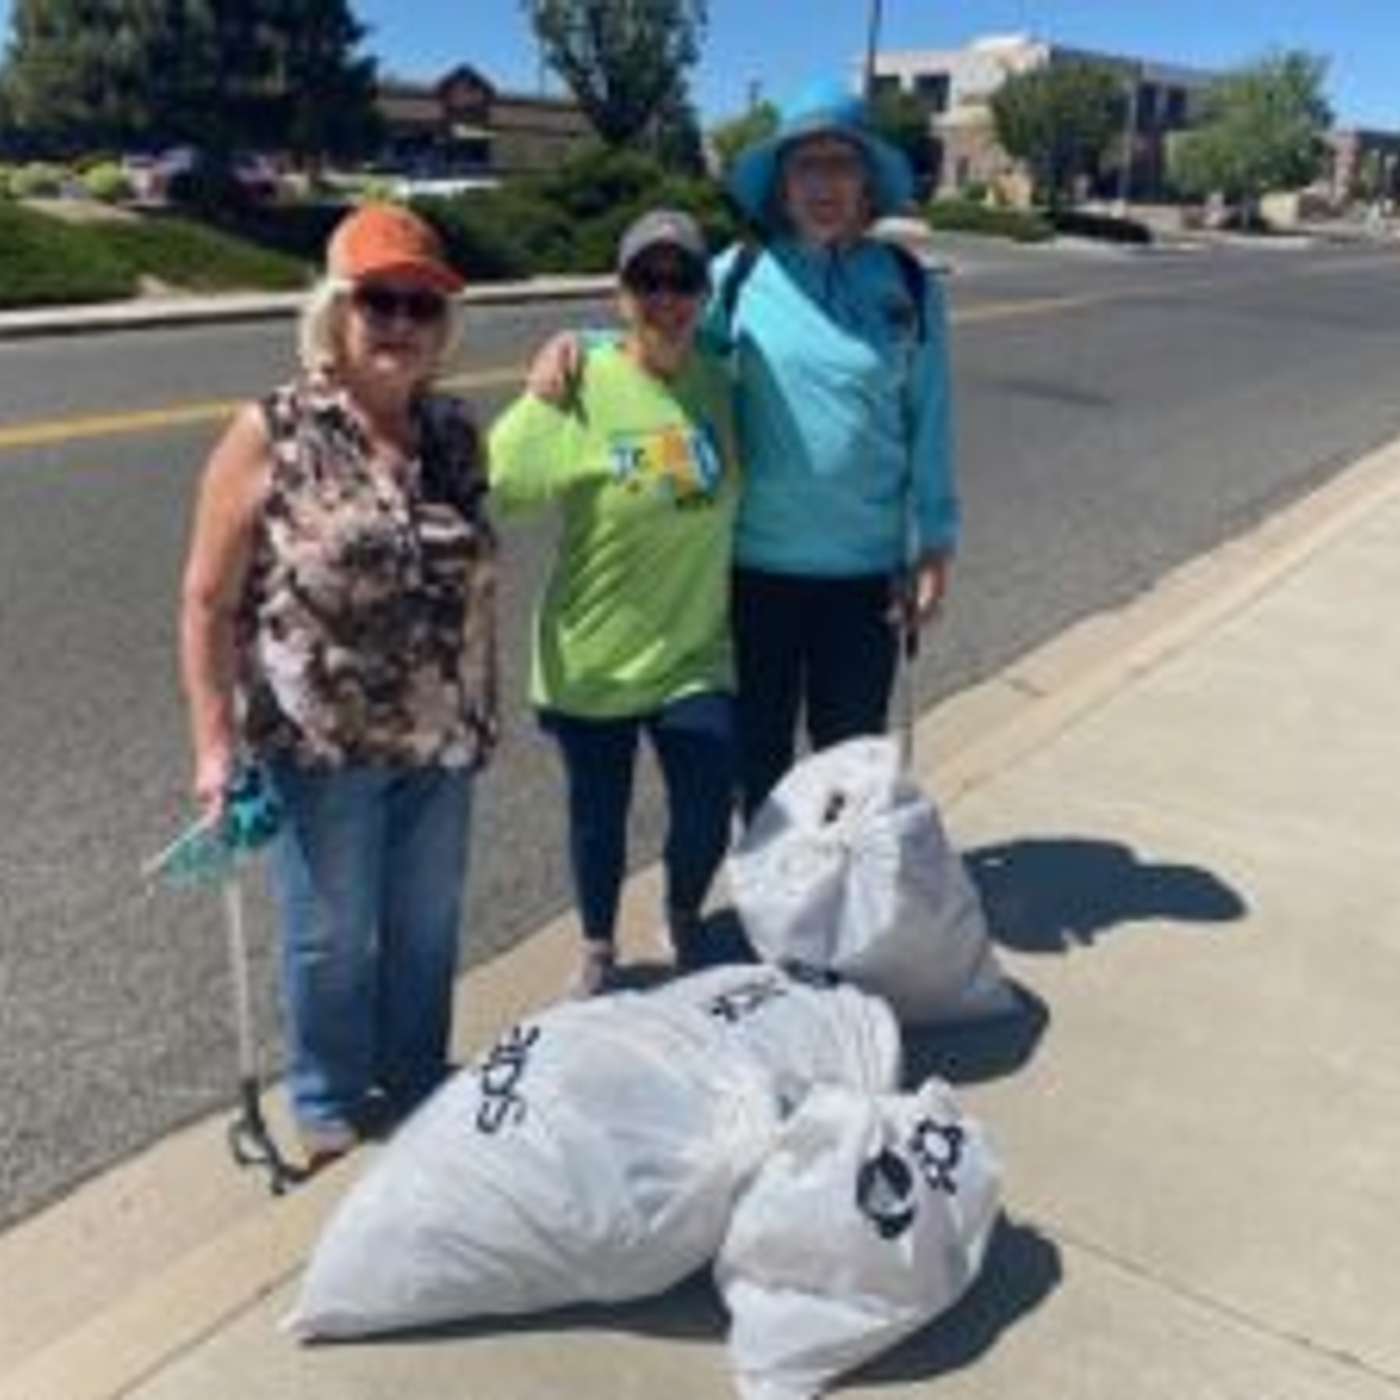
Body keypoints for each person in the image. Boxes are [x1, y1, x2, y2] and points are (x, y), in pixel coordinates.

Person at [529, 78, 958, 818]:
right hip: (755, 571)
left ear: (866, 181)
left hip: (866, 577)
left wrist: (936, 546)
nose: (824, 184)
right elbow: (663, 338)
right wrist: (582, 342)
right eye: (806, 165)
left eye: (841, 164)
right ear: (782, 184)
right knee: (759, 761)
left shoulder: (910, 287)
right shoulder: (740, 276)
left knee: (850, 767)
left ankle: (836, 887)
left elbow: (931, 423)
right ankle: (769, 883)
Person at [179, 203, 497, 1168]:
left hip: (442, 737)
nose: (400, 322)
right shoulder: (271, 431)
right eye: (378, 301)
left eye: (421, 305)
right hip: (321, 745)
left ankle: (415, 1075)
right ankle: (326, 1094)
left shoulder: (454, 432)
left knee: (427, 925)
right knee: (331, 933)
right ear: (336, 312)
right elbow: (206, 600)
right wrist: (214, 745)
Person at [489, 210, 740, 996]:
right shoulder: (581, 382)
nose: (666, 298)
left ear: (704, 294)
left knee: (708, 799)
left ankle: (684, 912)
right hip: (593, 652)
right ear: (620, 293)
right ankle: (598, 945)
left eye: (683, 281)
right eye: (646, 281)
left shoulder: (720, 381)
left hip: (693, 651)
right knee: (599, 812)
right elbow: (504, 484)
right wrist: (549, 384)